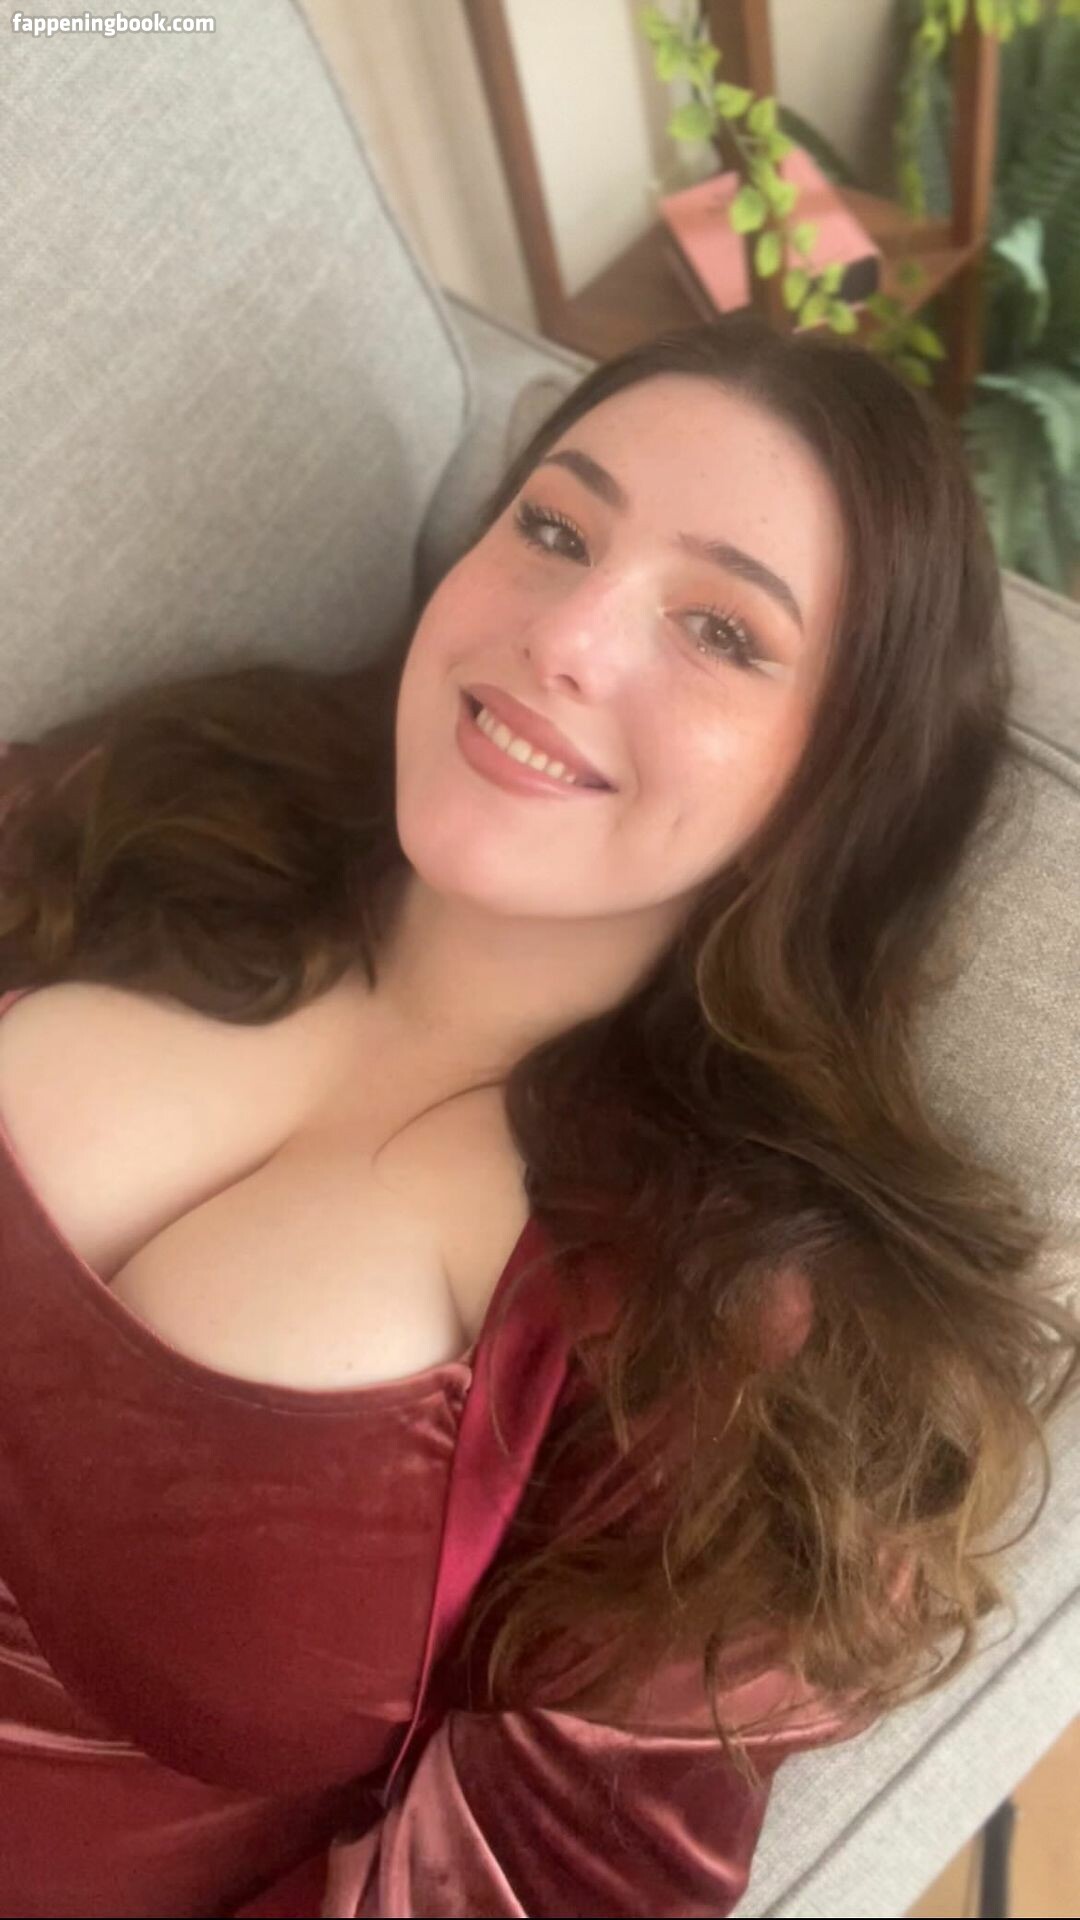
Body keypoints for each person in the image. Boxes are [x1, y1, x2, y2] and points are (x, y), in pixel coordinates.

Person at [0, 315, 1076, 1919]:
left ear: (837, 783)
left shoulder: (727, 1334)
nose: (565, 635)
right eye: (558, 530)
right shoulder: (165, 801)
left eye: (720, 630)